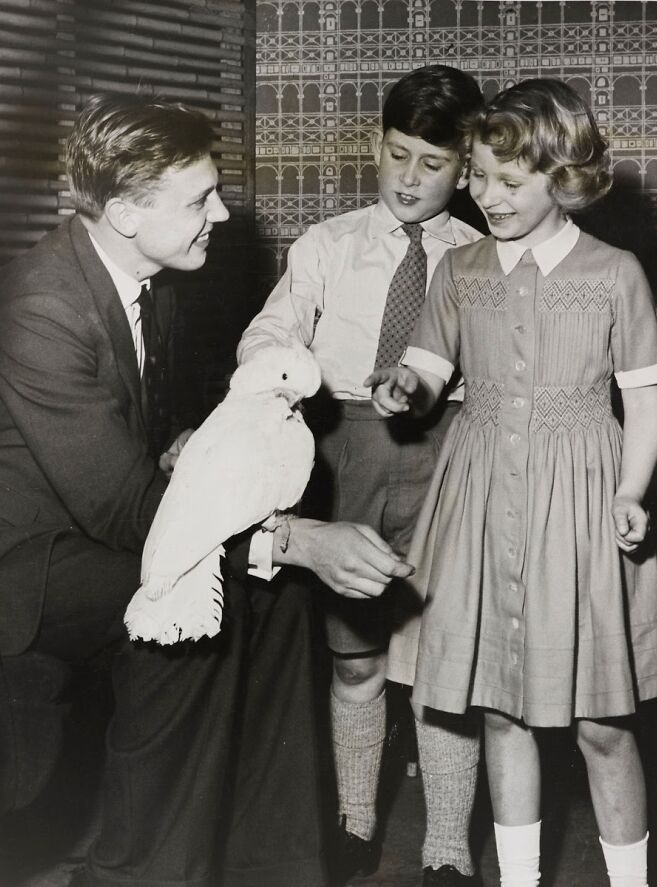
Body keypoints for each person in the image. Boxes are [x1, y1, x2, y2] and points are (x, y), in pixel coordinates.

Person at [0, 93, 414, 887]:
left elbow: (145, 449)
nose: (220, 211)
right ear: (123, 212)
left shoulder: (152, 278)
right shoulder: (42, 305)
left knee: (277, 594)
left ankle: (271, 867)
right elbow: (124, 509)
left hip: (96, 529)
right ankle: (137, 873)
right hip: (24, 566)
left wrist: (187, 444)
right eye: (199, 199)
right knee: (197, 607)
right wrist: (295, 536)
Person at [368, 78, 657, 887]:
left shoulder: (615, 273)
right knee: (502, 709)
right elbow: (430, 369)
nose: (485, 195)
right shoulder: (459, 269)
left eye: (511, 181)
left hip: (580, 504)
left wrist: (631, 492)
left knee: (601, 722)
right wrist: (407, 386)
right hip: (480, 492)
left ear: (563, 178)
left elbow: (644, 401)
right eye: (476, 174)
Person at [238, 65, 484, 886]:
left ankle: (447, 843)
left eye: (434, 163)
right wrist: (273, 370)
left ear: (468, 162)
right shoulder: (328, 244)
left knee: (449, 659)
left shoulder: (482, 257)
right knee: (356, 654)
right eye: (397, 153)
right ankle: (353, 819)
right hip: (346, 448)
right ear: (377, 146)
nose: (410, 179)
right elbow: (273, 329)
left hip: (451, 453)